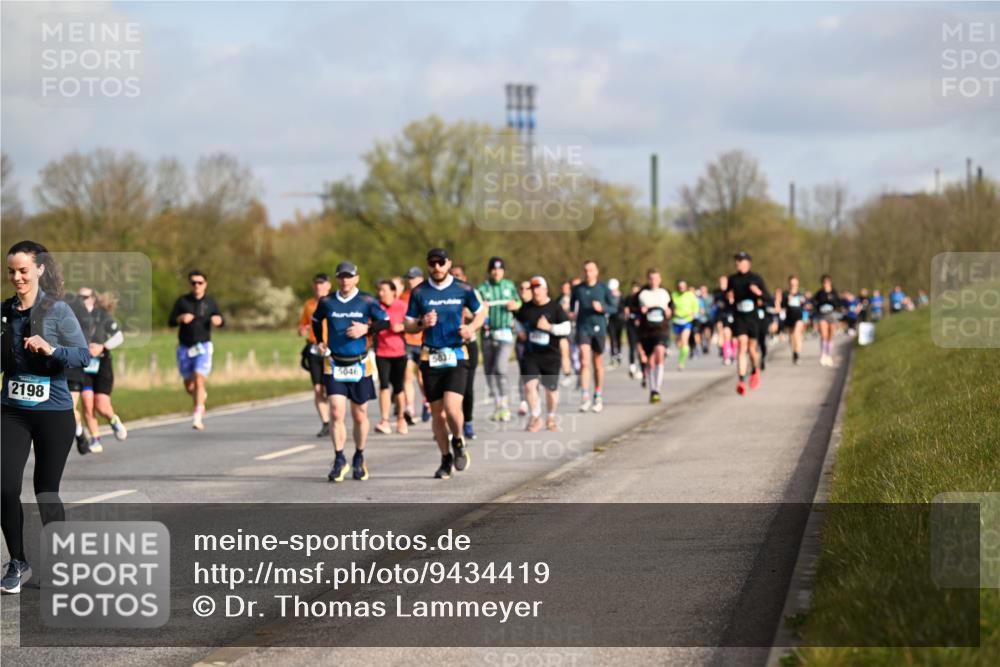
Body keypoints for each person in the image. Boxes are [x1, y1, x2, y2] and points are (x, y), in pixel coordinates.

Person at [2, 241, 91, 594]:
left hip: (53, 412)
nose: (17, 277)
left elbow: (82, 355)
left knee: (45, 491)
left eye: (23, 270)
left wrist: (51, 349)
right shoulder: (4, 312)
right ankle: (18, 562)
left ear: (39, 270)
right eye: (11, 271)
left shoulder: (58, 311)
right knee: (4, 486)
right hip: (11, 410)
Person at [404, 249, 485, 480]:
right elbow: (408, 325)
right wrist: (422, 322)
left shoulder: (463, 289)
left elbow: (481, 313)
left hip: (457, 355)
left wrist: (471, 328)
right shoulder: (420, 292)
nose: (437, 266)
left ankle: (458, 440)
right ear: (428, 265)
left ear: (449, 263)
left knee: (452, 407)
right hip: (430, 357)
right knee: (437, 414)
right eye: (433, 263)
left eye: (441, 262)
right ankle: (445, 458)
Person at [312, 261, 389, 482]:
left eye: (349, 276)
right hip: (335, 363)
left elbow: (385, 321)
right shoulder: (327, 301)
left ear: (356, 278)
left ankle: (359, 455)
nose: (345, 280)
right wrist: (320, 341)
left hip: (360, 364)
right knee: (336, 412)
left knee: (360, 414)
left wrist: (367, 328)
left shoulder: (366, 300)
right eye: (341, 276)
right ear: (337, 279)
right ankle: (339, 459)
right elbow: (316, 320)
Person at [64, 287, 127, 454]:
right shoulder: (74, 315)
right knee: (86, 402)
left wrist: (102, 347)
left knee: (101, 406)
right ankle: (95, 439)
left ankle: (113, 420)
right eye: (79, 296)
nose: (81, 299)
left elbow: (118, 337)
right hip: (82, 365)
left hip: (101, 364)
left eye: (85, 296)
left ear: (93, 298)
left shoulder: (102, 316)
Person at [168, 271, 223, 430]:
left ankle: (197, 416)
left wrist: (218, 320)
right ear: (190, 284)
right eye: (193, 282)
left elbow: (220, 319)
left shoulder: (210, 302)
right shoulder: (182, 301)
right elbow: (170, 321)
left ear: (205, 284)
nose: (196, 285)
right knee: (189, 386)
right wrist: (180, 319)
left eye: (199, 282)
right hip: (185, 347)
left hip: (203, 346)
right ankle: (200, 397)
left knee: (199, 379)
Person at [516, 276, 571, 431]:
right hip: (531, 354)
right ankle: (535, 416)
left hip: (550, 355)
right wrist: (520, 332)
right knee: (529, 385)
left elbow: (567, 328)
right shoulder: (526, 308)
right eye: (533, 288)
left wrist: (549, 328)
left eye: (538, 287)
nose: (535, 291)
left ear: (545, 289)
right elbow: (517, 320)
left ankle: (551, 417)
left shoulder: (555, 308)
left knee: (551, 390)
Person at [477, 257, 521, 423]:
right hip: (488, 334)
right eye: (494, 269)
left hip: (505, 334)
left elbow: (519, 301)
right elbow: (473, 307)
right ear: (490, 271)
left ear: (503, 271)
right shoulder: (482, 288)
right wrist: (482, 308)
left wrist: (515, 305)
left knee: (501, 368)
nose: (497, 272)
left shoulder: (509, 286)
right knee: (489, 370)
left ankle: (504, 403)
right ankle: (498, 404)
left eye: (500, 269)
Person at [569, 260, 616, 412]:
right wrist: (570, 314)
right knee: (584, 360)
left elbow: (614, 307)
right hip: (583, 327)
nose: (588, 273)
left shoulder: (603, 288)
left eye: (591, 270)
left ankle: (598, 394)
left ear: (596, 272)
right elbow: (572, 307)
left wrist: (602, 308)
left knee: (597, 362)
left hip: (599, 328)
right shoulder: (578, 289)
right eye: (586, 271)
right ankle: (584, 396)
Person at [728, 251, 767, 396]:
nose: (737, 263)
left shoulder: (756, 278)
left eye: (740, 260)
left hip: (753, 318)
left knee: (752, 349)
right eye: (736, 260)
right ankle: (741, 381)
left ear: (748, 263)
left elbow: (767, 297)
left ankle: (755, 371)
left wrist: (758, 293)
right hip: (739, 317)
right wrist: (728, 297)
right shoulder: (732, 279)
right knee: (741, 347)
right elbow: (727, 297)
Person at [298, 273, 332, 438]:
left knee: (330, 388)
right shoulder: (309, 305)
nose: (319, 287)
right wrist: (302, 329)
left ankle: (336, 418)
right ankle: (326, 423)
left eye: (322, 283)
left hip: (330, 350)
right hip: (313, 349)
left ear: (329, 286)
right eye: (316, 284)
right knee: (318, 389)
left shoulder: (334, 303)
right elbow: (303, 323)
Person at [450, 264, 481, 441]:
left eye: (459, 275)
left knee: (467, 387)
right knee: (451, 389)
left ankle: (467, 422)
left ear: (465, 277)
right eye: (453, 275)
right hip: (449, 346)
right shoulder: (444, 294)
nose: (456, 278)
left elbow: (482, 313)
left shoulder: (471, 293)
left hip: (468, 344)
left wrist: (470, 322)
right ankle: (453, 425)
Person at [374, 279, 408, 435]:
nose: (381, 293)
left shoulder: (402, 306)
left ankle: (401, 419)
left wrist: (401, 327)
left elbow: (412, 325)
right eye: (379, 290)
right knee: (383, 386)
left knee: (399, 388)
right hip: (381, 352)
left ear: (393, 292)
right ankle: (385, 420)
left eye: (384, 290)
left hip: (399, 352)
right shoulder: (376, 307)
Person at [400, 267, 431, 424]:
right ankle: (410, 407)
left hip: (422, 342)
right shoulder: (404, 296)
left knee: (421, 377)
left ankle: (427, 401)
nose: (410, 281)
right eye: (408, 278)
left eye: (413, 278)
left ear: (420, 278)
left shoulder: (427, 293)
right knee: (407, 375)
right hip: (407, 342)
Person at [636, 269, 672, 402]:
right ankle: (653, 391)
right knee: (650, 361)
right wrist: (640, 312)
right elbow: (633, 309)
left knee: (660, 352)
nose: (653, 281)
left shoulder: (665, 293)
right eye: (651, 278)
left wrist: (670, 311)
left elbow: (672, 308)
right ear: (647, 279)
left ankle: (657, 388)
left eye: (656, 278)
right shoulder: (643, 294)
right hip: (646, 331)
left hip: (661, 329)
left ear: (660, 279)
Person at [814, 275, 842, 367]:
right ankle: (823, 355)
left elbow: (838, 303)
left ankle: (828, 355)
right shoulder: (820, 293)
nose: (826, 284)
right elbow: (814, 303)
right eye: (824, 282)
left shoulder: (834, 292)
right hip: (822, 315)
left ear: (830, 283)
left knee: (830, 335)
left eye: (827, 282)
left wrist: (833, 302)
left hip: (832, 315)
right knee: (824, 334)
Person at [670, 280, 699, 371]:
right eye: (680, 287)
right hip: (676, 321)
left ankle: (681, 363)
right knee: (678, 343)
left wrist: (694, 313)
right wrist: (672, 311)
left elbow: (695, 306)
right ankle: (683, 352)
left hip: (687, 320)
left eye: (683, 286)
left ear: (686, 287)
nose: (681, 288)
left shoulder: (690, 295)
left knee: (684, 341)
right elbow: (669, 305)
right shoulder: (673, 295)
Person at [780, 276, 807, 365]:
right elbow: (782, 305)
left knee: (796, 334)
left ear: (797, 283)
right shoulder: (786, 293)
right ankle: (794, 352)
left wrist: (803, 302)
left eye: (795, 282)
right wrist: (787, 300)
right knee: (791, 337)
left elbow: (807, 304)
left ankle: (797, 354)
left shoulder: (801, 293)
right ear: (789, 283)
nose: (793, 284)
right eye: (792, 283)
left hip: (799, 316)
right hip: (789, 316)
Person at [623, 282, 643, 379]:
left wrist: (639, 319)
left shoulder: (642, 299)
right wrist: (626, 313)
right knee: (632, 345)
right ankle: (632, 366)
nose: (634, 291)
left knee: (640, 347)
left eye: (636, 289)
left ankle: (641, 367)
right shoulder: (628, 299)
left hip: (640, 326)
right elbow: (626, 310)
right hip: (630, 324)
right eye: (633, 289)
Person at [712, 276, 734, 366]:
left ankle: (730, 353)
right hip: (719, 316)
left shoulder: (731, 291)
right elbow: (715, 304)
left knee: (729, 335)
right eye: (721, 281)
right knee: (722, 333)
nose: (722, 283)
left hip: (729, 315)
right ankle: (726, 355)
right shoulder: (716, 292)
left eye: (724, 281)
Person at [606, 278, 625, 368]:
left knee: (618, 338)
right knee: (612, 338)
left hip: (620, 320)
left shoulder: (621, 296)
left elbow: (623, 308)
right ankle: (613, 356)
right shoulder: (607, 296)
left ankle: (619, 354)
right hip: (610, 320)